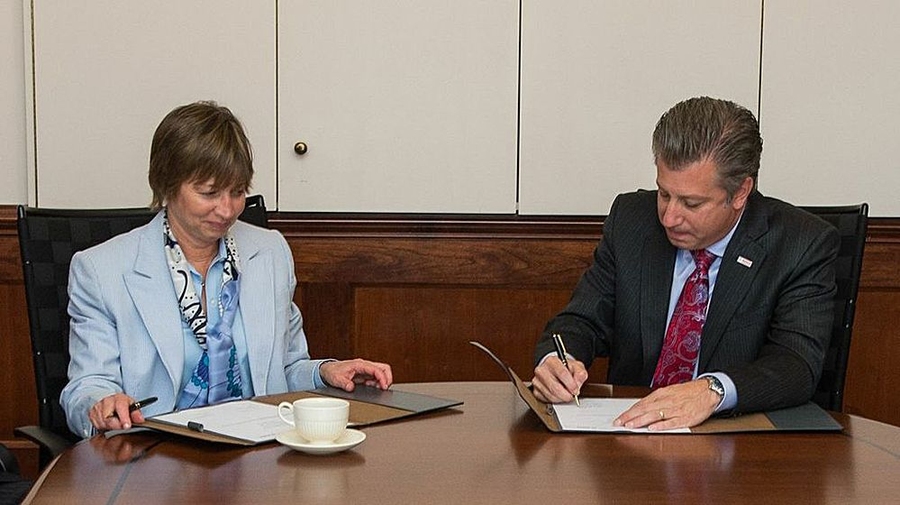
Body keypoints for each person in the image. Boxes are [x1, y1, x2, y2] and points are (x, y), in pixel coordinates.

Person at [61, 101, 393, 438]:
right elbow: (86, 386)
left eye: (237, 192)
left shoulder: (270, 252)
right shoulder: (101, 270)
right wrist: (102, 403)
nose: (227, 209)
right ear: (167, 185)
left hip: (260, 454)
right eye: (209, 193)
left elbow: (286, 368)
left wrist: (326, 372)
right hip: (157, 459)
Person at [531, 96, 839, 430]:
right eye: (664, 194)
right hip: (627, 438)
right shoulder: (632, 222)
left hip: (735, 451)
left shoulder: (800, 244)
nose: (669, 217)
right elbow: (582, 321)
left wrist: (712, 390)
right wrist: (557, 361)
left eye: (691, 203)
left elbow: (796, 365)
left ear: (740, 193)